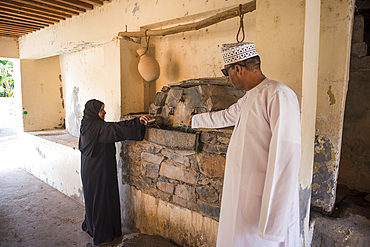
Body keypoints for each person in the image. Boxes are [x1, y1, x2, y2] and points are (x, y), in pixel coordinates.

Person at [191, 42, 301, 246]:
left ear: (238, 69)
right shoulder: (250, 97)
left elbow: (285, 156)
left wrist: (274, 220)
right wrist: (191, 121)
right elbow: (224, 117)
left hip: (262, 199)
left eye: (226, 71)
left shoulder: (278, 94)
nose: (227, 77)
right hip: (242, 193)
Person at [78, 99, 151, 246]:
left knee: (93, 200)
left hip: (88, 171)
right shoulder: (98, 128)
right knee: (102, 200)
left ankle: (92, 227)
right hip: (99, 172)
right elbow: (116, 129)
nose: (104, 112)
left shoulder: (86, 125)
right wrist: (137, 122)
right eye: (101, 110)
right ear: (94, 112)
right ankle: (103, 236)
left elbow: (112, 127)